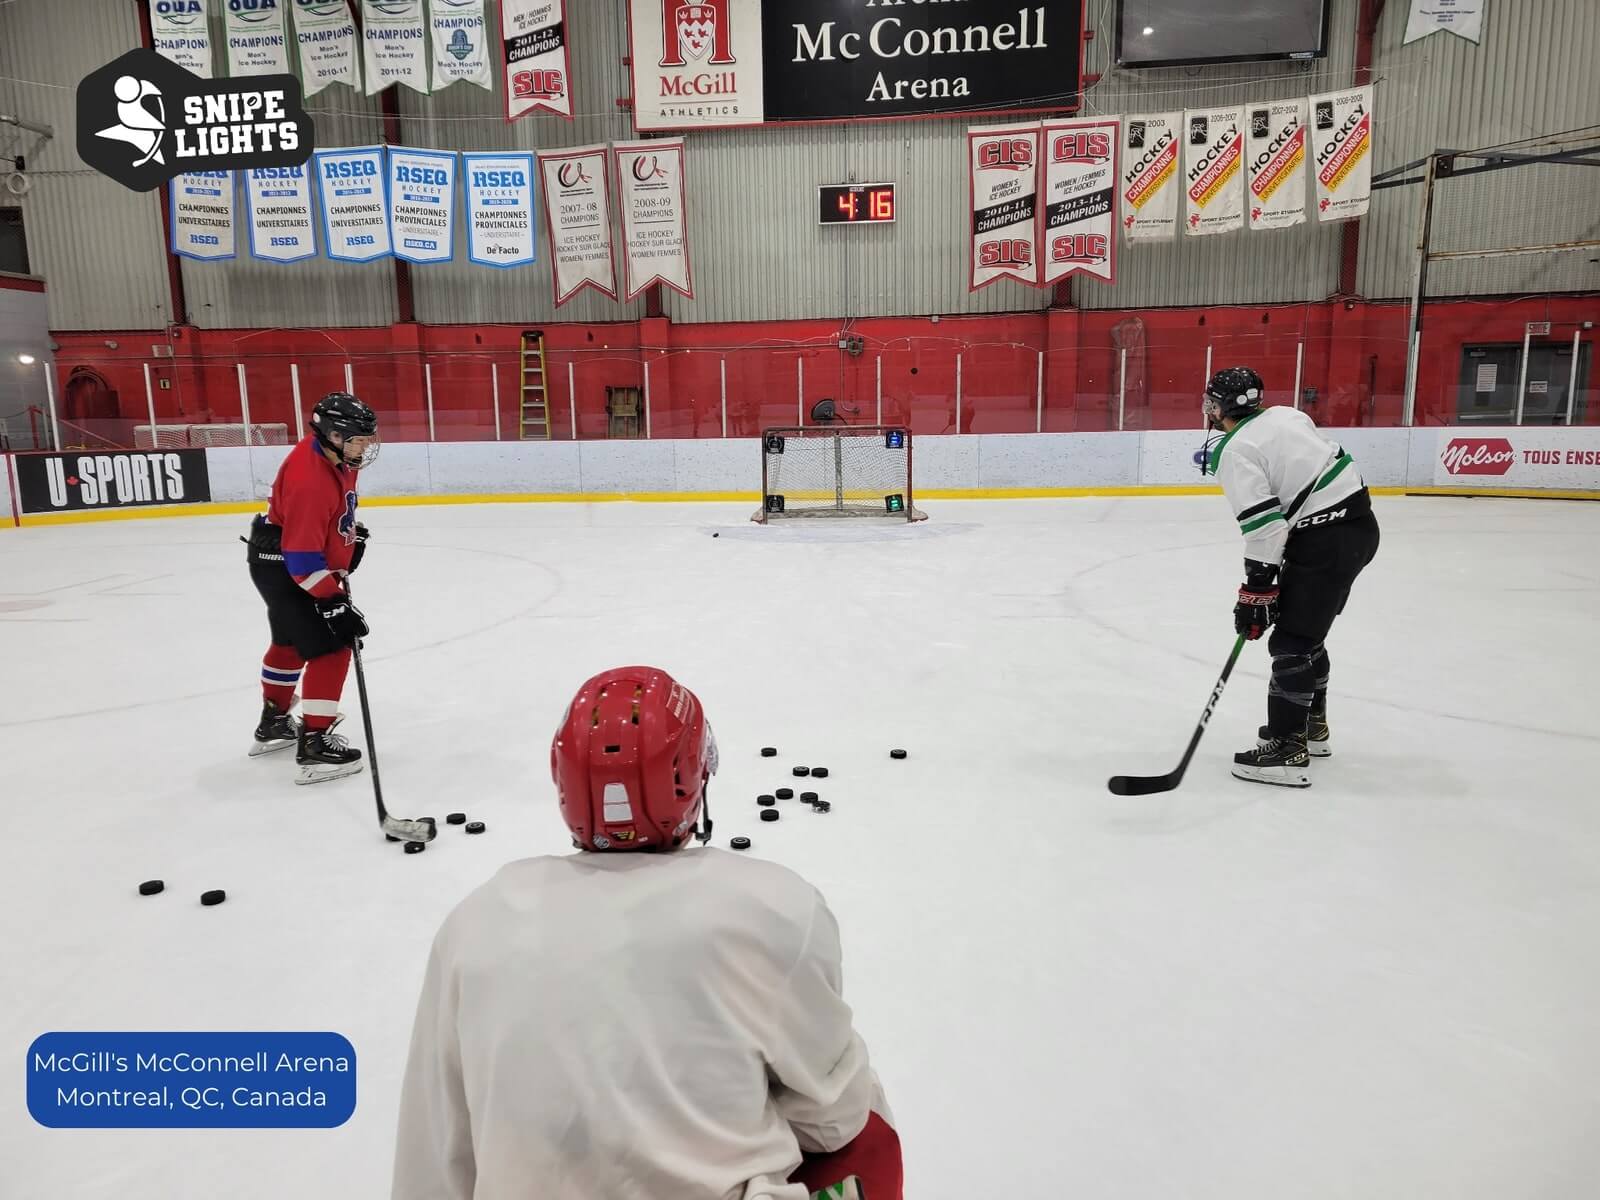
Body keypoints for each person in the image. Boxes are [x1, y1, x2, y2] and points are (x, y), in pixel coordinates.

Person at [392, 666, 902, 1200]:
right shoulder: (772, 905)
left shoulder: (474, 921)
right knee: (871, 1133)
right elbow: (837, 1119)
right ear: (693, 775)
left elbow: (436, 1146)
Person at [1201, 367, 1380, 788]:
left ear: (1221, 406)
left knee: (1292, 643)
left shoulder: (1235, 449)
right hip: (1358, 529)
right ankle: (1311, 727)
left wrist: (1256, 592)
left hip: (1324, 541)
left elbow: (1265, 527)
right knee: (1307, 632)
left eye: (1211, 401)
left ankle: (1287, 747)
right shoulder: (1286, 415)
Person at [244, 391, 378, 784]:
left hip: (277, 564)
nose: (365, 447)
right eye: (357, 439)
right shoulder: (311, 479)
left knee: (288, 644)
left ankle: (274, 724)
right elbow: (302, 561)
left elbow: (326, 519)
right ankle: (315, 745)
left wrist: (345, 535)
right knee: (332, 647)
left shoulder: (334, 456)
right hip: (292, 572)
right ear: (333, 436)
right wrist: (334, 602)